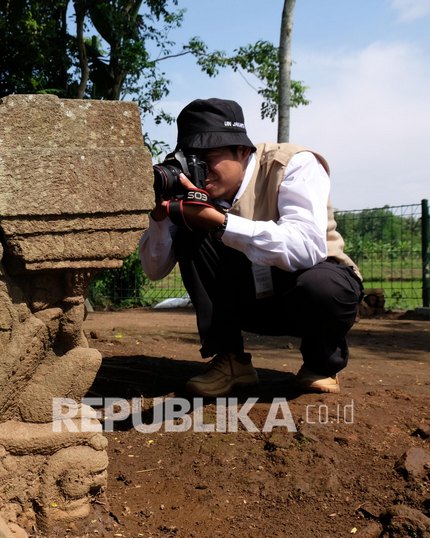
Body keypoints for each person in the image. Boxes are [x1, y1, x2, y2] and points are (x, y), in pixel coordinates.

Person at [139, 98, 363, 396]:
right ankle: (231, 361)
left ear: (243, 151)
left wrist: (219, 222)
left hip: (310, 297)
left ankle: (321, 363)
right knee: (192, 229)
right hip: (251, 303)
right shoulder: (195, 191)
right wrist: (160, 215)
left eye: (208, 156)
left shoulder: (292, 164)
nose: (199, 168)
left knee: (322, 285)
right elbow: (154, 270)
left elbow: (306, 248)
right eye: (190, 158)